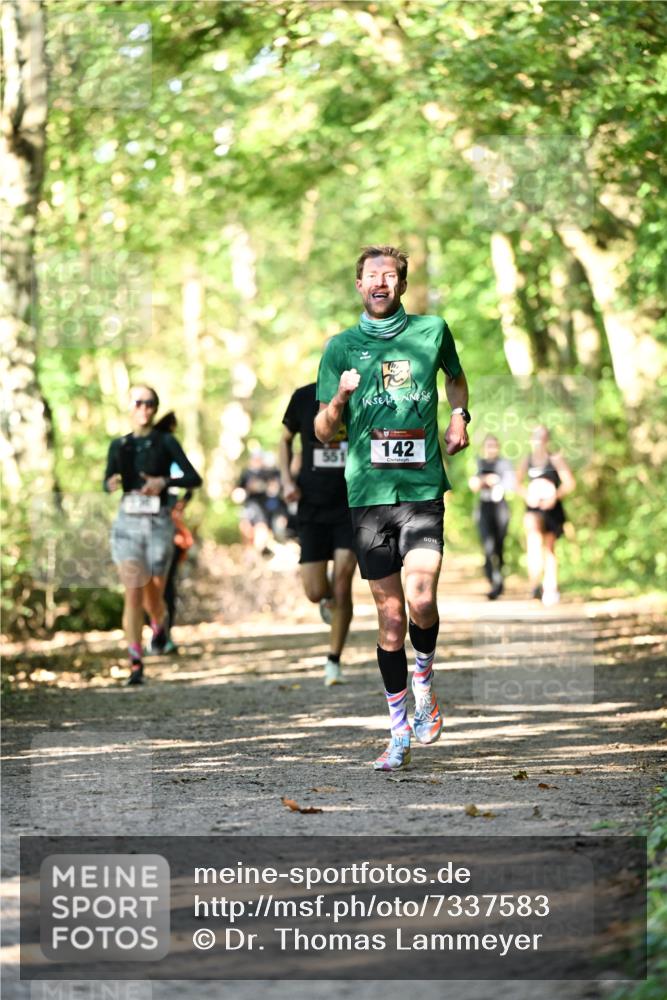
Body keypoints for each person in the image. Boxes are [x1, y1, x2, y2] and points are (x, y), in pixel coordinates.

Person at [314, 245, 470, 770]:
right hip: (368, 498)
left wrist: (459, 417)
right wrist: (339, 398)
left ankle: (424, 677)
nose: (380, 282)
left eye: (390, 275)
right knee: (390, 618)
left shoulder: (432, 330)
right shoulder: (340, 347)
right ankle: (399, 728)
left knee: (422, 598)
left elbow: (455, 376)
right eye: (371, 276)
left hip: (422, 488)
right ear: (359, 285)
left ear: (401, 284)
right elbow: (322, 429)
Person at [104, 386, 202, 685]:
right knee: (133, 590)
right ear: (129, 407)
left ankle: (160, 623)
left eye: (150, 403)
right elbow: (106, 481)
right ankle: (135, 662)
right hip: (128, 525)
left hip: (158, 525)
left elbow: (193, 478)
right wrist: (112, 481)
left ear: (155, 408)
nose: (144, 408)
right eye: (138, 402)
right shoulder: (119, 446)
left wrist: (163, 480)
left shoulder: (166, 442)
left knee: (153, 595)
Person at [280, 381, 357, 686]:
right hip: (311, 505)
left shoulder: (361, 396)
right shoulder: (302, 396)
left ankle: (333, 662)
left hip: (351, 503)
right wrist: (286, 480)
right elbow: (284, 439)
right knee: (315, 591)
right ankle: (327, 601)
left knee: (342, 582)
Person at [150, 411, 196, 652]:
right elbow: (190, 485)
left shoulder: (150, 452)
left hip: (167, 528)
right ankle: (161, 635)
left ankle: (160, 636)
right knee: (164, 585)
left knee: (160, 584)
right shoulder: (165, 451)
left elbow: (191, 483)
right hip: (163, 527)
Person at [516, 425, 576, 607]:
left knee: (549, 549)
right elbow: (516, 483)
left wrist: (554, 496)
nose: (539, 440)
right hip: (533, 509)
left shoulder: (555, 459)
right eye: (536, 436)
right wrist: (528, 495)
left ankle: (551, 587)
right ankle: (535, 586)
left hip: (552, 509)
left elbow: (570, 483)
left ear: (547, 439)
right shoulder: (527, 460)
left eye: (542, 436)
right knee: (533, 545)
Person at [468, 434, 515, 599]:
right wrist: (485, 480)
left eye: (494, 446)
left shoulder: (504, 463)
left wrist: (492, 481)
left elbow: (510, 485)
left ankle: (499, 580)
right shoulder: (479, 463)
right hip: (484, 507)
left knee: (499, 546)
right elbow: (473, 484)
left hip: (500, 507)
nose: (491, 449)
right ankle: (493, 582)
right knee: (487, 546)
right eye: (488, 446)